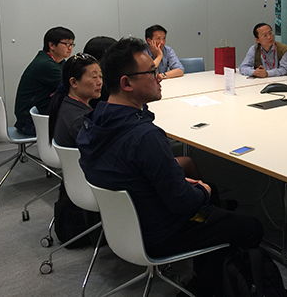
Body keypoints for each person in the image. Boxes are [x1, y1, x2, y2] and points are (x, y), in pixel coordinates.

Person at [77, 38, 262, 294]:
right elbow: (183, 203)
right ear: (126, 83)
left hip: (123, 225)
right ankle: (207, 285)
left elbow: (126, 171)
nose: (159, 77)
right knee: (249, 226)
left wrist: (175, 180)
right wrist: (202, 190)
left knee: (211, 202)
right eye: (152, 72)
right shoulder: (145, 136)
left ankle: (210, 274)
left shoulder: (94, 121)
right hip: (159, 232)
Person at [14, 26, 75, 136]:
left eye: (72, 44)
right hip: (30, 123)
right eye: (66, 44)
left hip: (38, 116)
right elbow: (73, 88)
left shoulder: (58, 62)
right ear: (52, 45)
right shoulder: (46, 65)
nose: (70, 48)